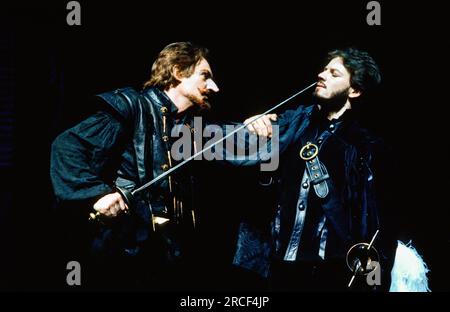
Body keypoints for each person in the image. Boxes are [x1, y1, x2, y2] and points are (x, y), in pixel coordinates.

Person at [50, 42, 223, 290]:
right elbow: (66, 146)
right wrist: (96, 194)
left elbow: (238, 144)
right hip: (124, 256)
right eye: (205, 76)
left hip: (167, 260)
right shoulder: (133, 107)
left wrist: (257, 124)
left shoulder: (191, 128)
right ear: (177, 71)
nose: (214, 87)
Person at [234, 47, 398, 291]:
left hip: (327, 275)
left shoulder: (365, 147)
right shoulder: (292, 125)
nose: (322, 75)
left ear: (354, 90)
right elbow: (259, 181)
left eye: (334, 73)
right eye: (324, 69)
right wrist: (252, 128)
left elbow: (377, 221)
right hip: (274, 267)